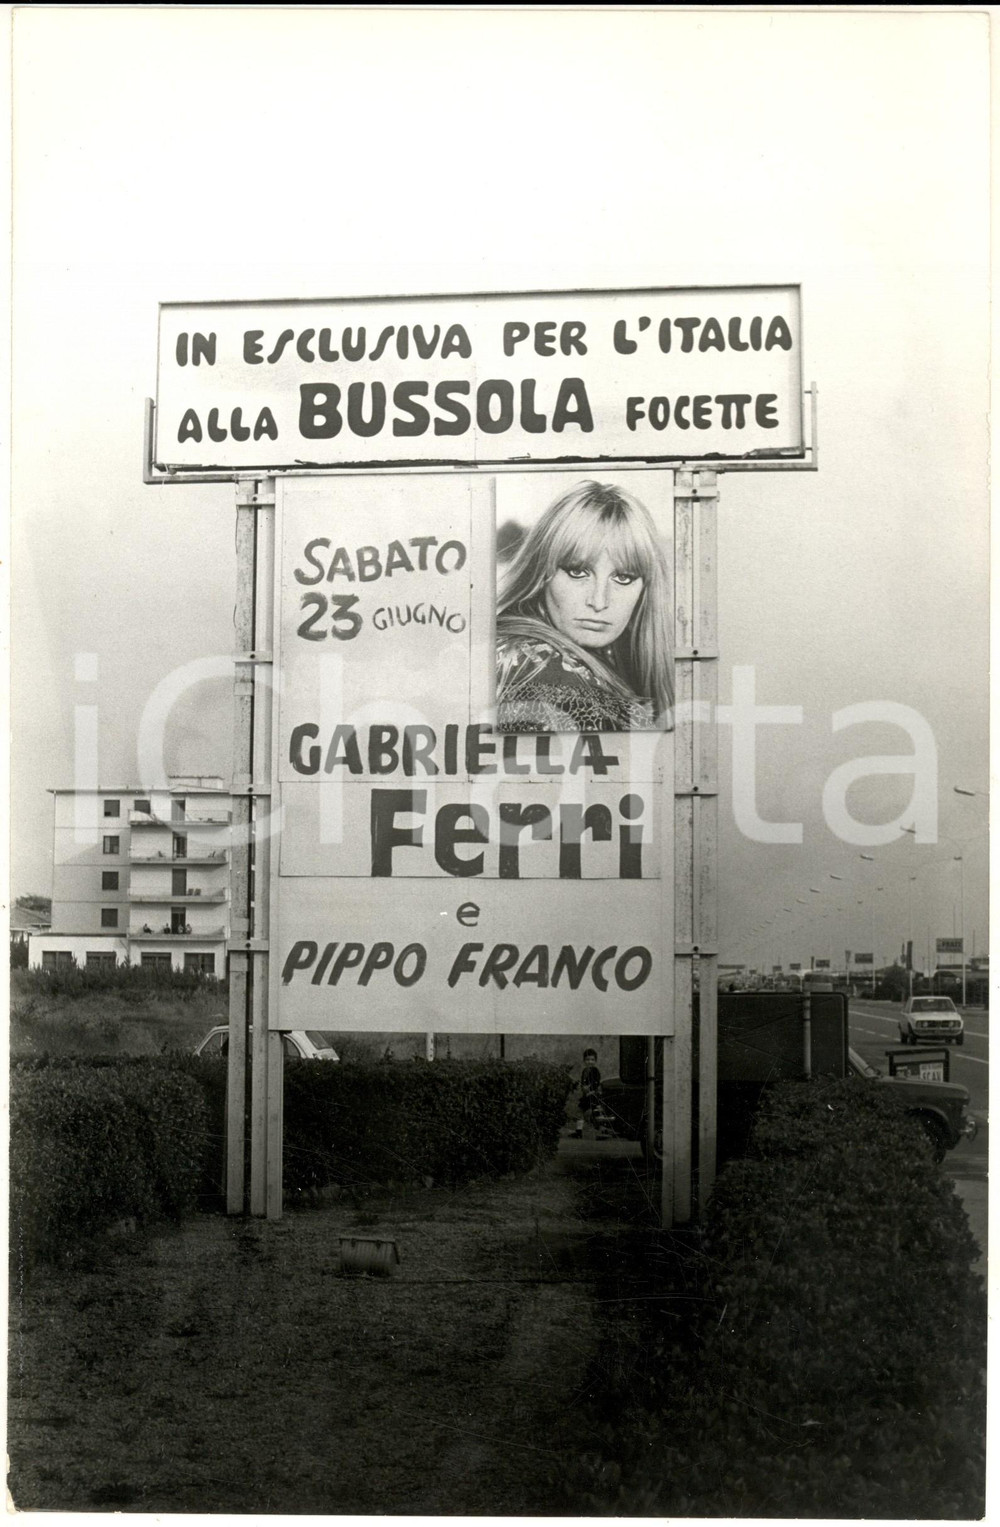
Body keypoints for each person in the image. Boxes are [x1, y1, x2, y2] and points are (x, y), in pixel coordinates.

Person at [496, 480, 673, 733]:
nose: (599, 602)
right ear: (541, 571)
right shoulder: (543, 674)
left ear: (646, 588)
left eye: (623, 578)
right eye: (578, 572)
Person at [572, 1047, 604, 1138]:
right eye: (587, 1059)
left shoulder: (595, 1071)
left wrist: (590, 1089)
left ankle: (602, 1131)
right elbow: (583, 1083)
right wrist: (583, 1087)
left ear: (595, 1061)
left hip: (593, 1095)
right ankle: (579, 1132)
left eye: (592, 1060)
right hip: (586, 1095)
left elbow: (596, 1082)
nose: (590, 1062)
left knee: (596, 1113)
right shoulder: (584, 1071)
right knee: (580, 1112)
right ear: (584, 1061)